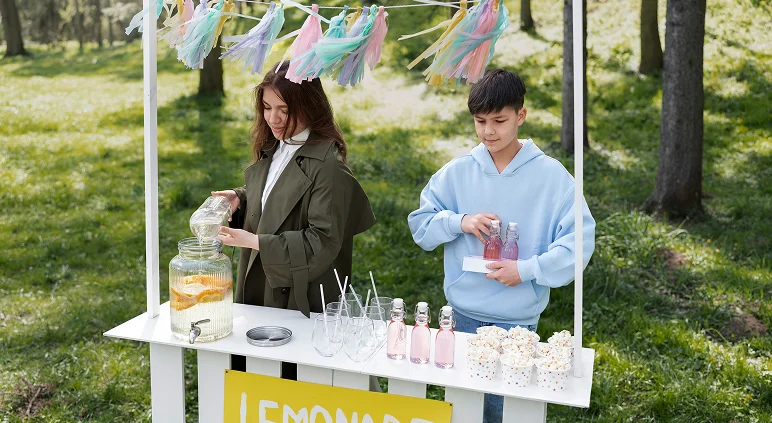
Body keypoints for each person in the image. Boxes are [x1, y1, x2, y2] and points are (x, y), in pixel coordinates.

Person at [407, 68, 595, 423]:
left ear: (521, 116)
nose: (489, 131)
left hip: (519, 323)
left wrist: (526, 270)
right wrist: (458, 221)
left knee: (505, 412)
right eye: (480, 121)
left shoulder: (552, 177)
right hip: (461, 316)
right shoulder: (457, 171)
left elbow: (579, 245)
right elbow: (420, 226)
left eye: (499, 120)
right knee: (462, 410)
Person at [213, 62, 375, 379]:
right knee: (256, 379)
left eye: (284, 109)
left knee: (293, 384)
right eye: (267, 107)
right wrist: (241, 198)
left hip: (300, 298)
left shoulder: (329, 167)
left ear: (308, 106)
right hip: (261, 282)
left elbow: (323, 241)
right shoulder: (275, 146)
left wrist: (256, 242)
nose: (273, 118)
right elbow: (281, 193)